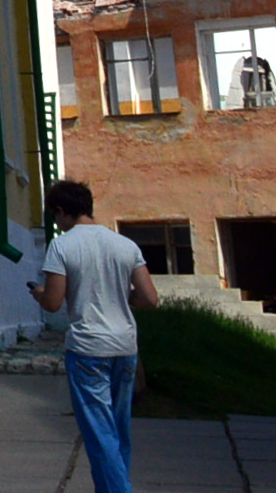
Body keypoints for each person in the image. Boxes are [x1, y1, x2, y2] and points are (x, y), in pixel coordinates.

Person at [34, 180, 161, 493]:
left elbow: (53, 303)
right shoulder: (124, 244)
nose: (57, 223)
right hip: (124, 346)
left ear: (61, 212)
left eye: (55, 216)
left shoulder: (62, 246)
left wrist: (38, 293)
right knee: (118, 430)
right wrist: (119, 295)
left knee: (99, 433)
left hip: (88, 347)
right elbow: (149, 298)